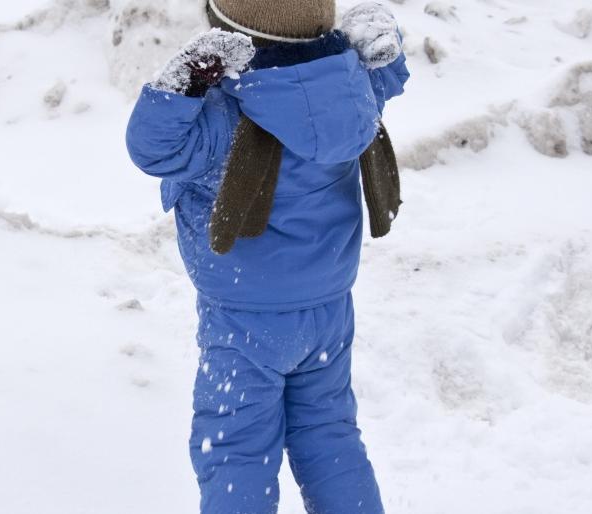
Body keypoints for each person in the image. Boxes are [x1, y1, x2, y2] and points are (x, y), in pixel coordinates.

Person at [125, 1, 409, 513]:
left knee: (237, 449)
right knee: (329, 434)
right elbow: (391, 70)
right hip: (327, 313)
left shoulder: (223, 118)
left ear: (227, 33)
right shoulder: (351, 94)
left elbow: (152, 149)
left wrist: (185, 82)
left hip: (242, 324)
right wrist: (382, 40)